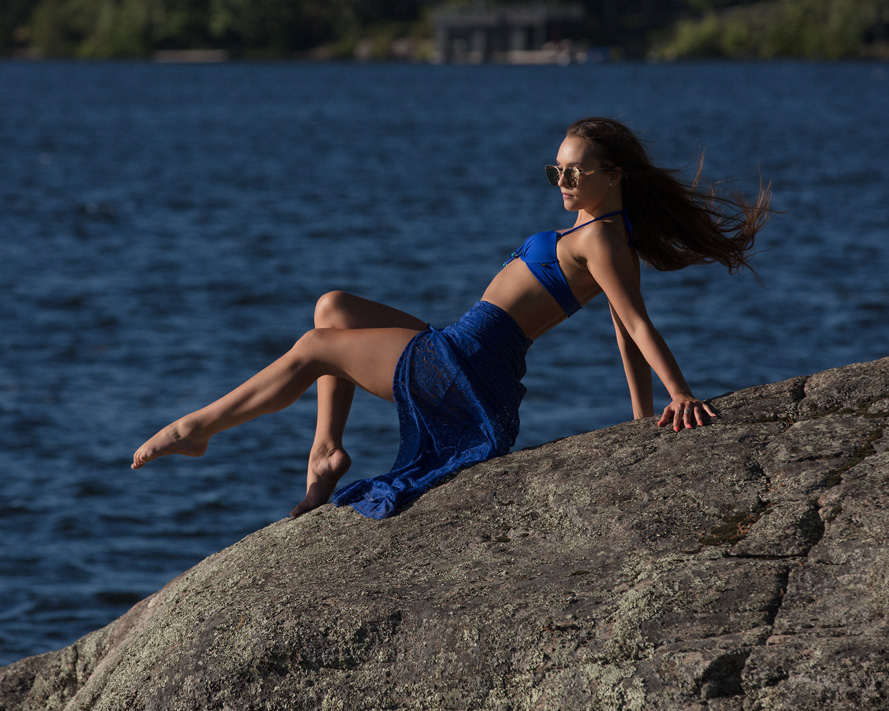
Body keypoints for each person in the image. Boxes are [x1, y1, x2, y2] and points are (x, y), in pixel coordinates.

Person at [131, 117, 771, 519]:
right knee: (334, 308)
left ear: (613, 174)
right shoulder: (598, 231)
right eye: (557, 168)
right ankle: (326, 454)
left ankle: (199, 426)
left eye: (575, 169)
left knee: (314, 346)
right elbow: (620, 325)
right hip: (463, 352)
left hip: (462, 368)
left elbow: (634, 323)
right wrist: (638, 413)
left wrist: (676, 393)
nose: (562, 178)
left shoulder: (603, 236)